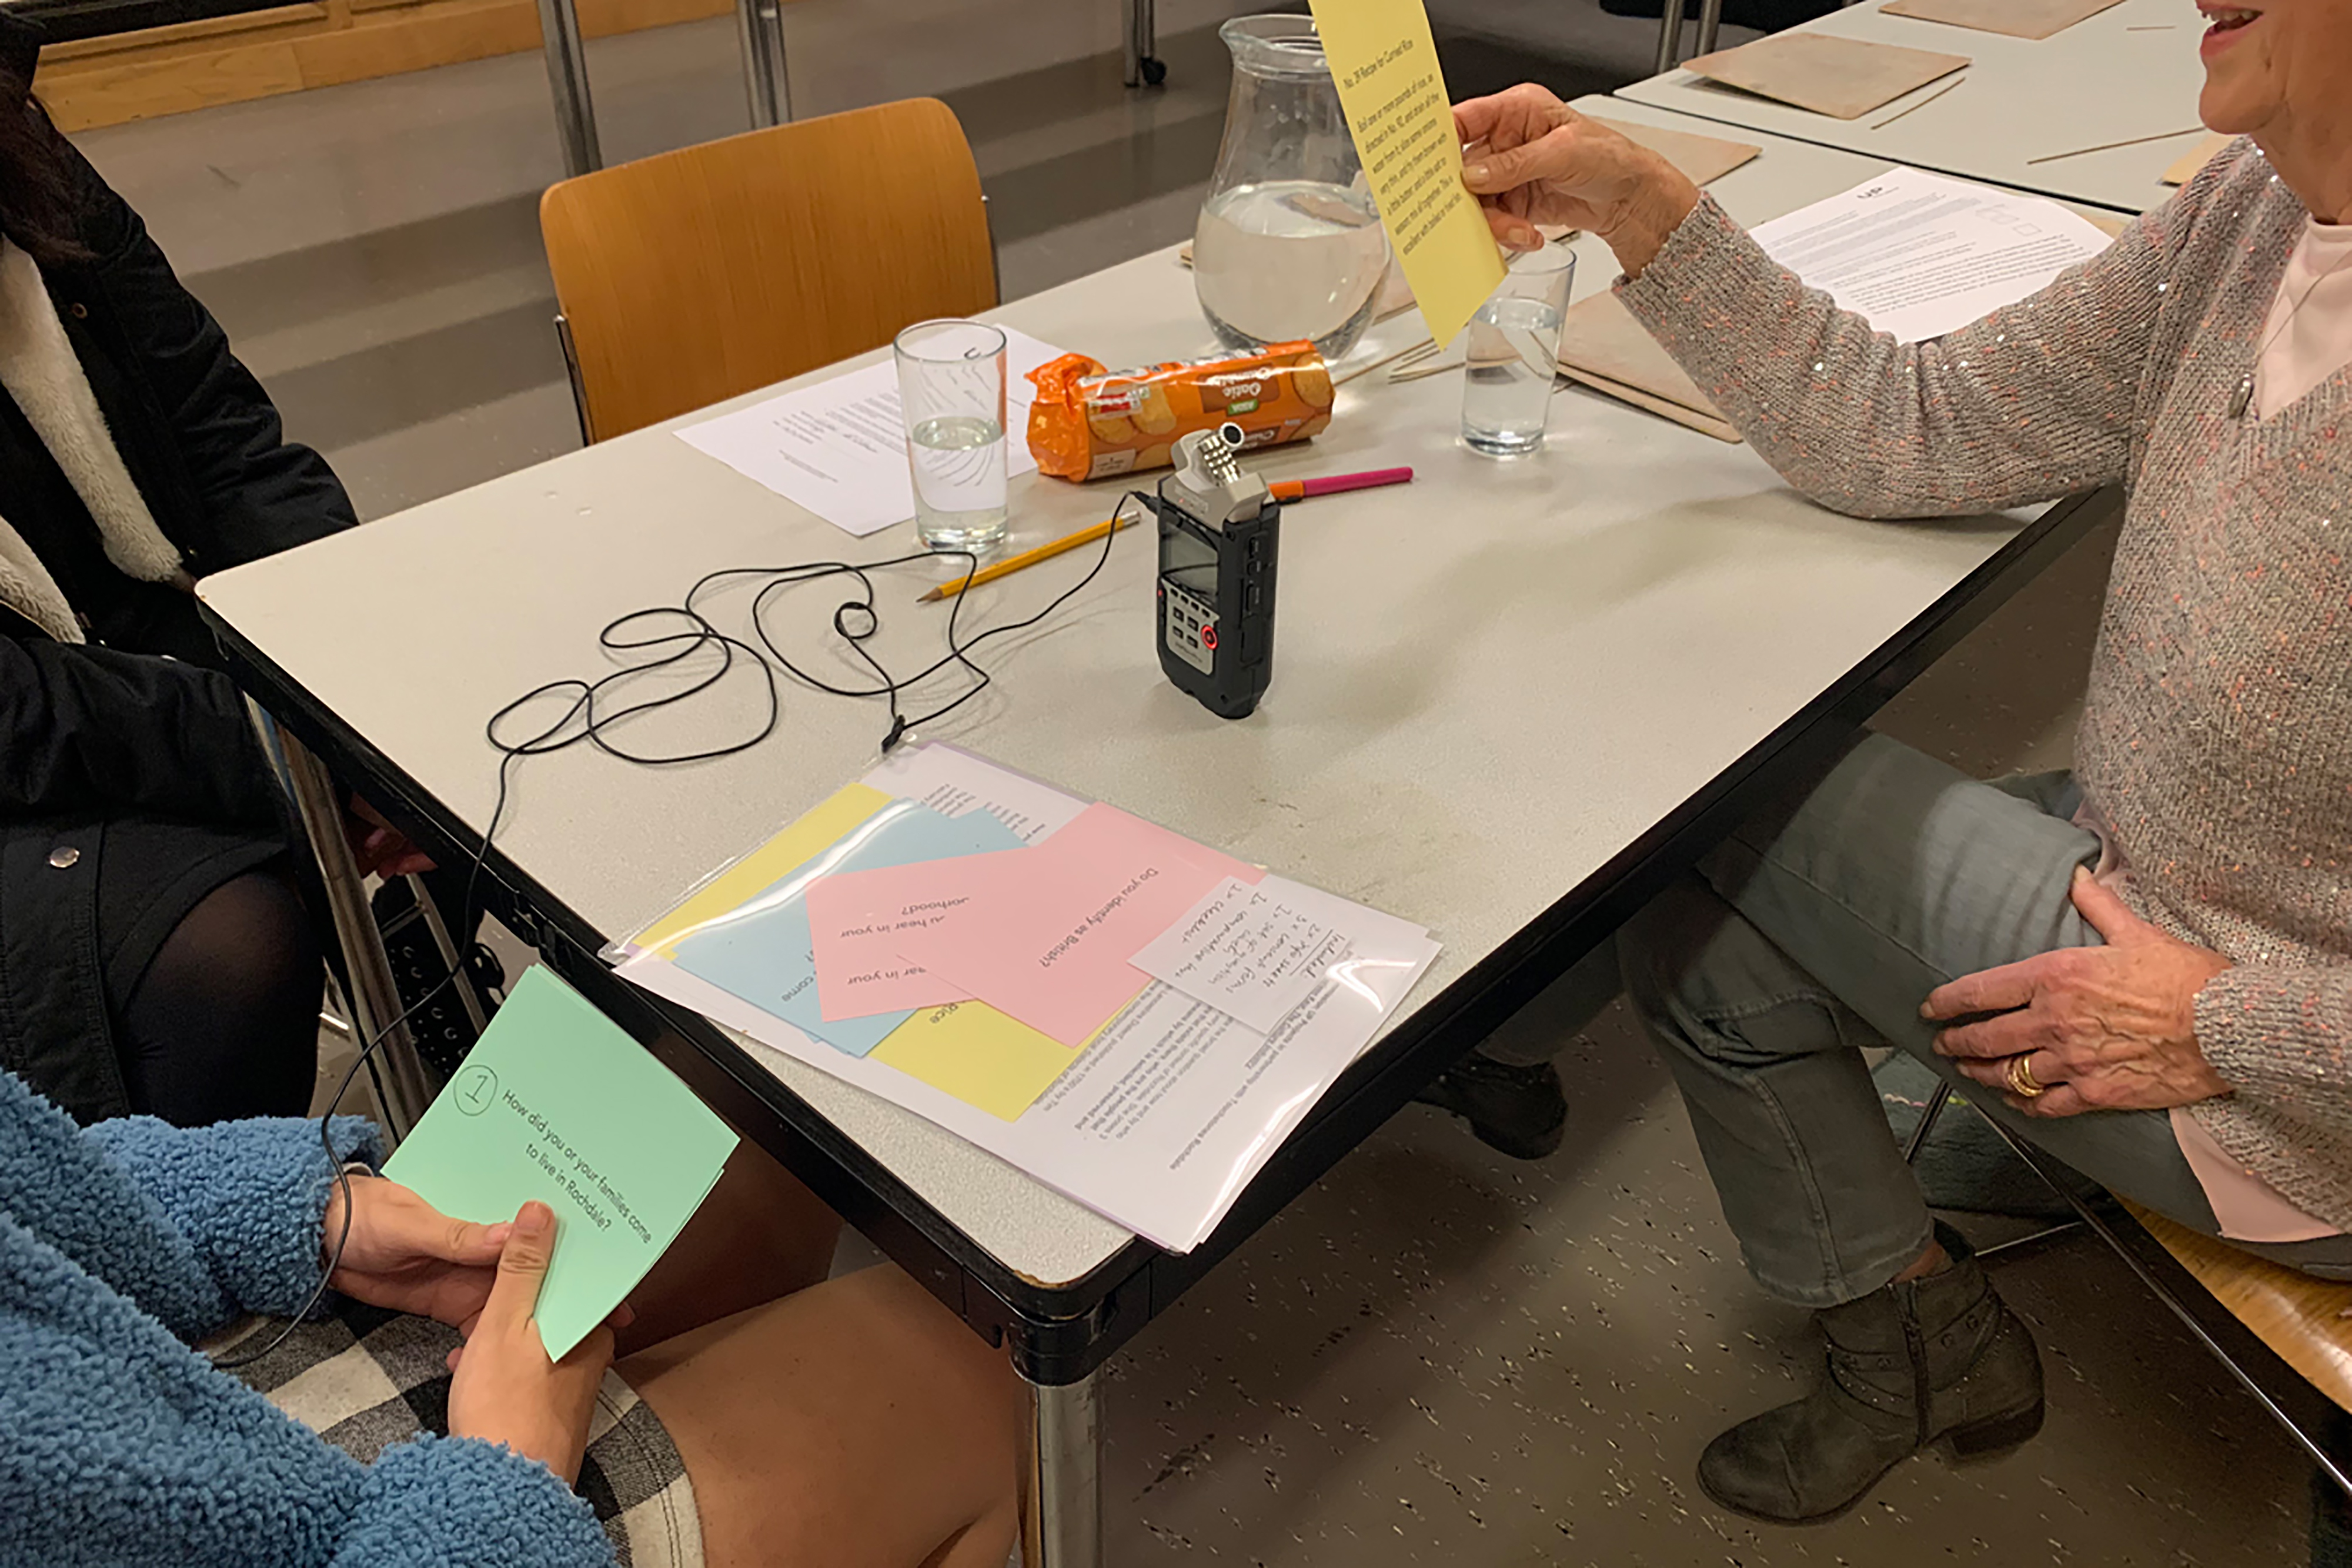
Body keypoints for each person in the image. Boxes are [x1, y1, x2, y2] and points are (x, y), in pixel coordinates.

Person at [1451, 0, 2352, 1523]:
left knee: (1704, 794)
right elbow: (1909, 424)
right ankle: (1918, 1337)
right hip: (2184, 899)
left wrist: (2246, 1027)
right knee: (1696, 919)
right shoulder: (2255, 222)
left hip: (2281, 1049)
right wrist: (1636, 198)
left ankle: (1912, 1330)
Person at [0, 1062, 1024, 1566]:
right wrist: (507, 1489)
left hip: (204, 1379)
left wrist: (300, 1209)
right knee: (986, 1370)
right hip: (432, 1536)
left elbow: (40, 1175)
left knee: (762, 1125)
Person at [0, 16, 426, 1129]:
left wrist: (342, 680)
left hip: (131, 646)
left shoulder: (21, 151)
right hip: (30, 737)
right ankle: (178, 1274)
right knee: (228, 939)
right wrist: (275, 749)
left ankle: (455, 1050)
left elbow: (223, 428)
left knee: (470, 726)